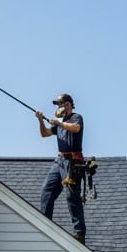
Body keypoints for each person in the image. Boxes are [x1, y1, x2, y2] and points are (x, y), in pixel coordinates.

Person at [35, 93, 86, 243]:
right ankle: (46, 225)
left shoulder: (76, 118)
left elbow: (76, 128)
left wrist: (59, 122)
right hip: (60, 160)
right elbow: (44, 134)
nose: (59, 107)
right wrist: (40, 120)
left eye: (61, 104)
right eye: (58, 105)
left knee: (72, 196)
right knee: (47, 190)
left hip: (73, 161)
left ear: (68, 105)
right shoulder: (60, 122)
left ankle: (79, 232)